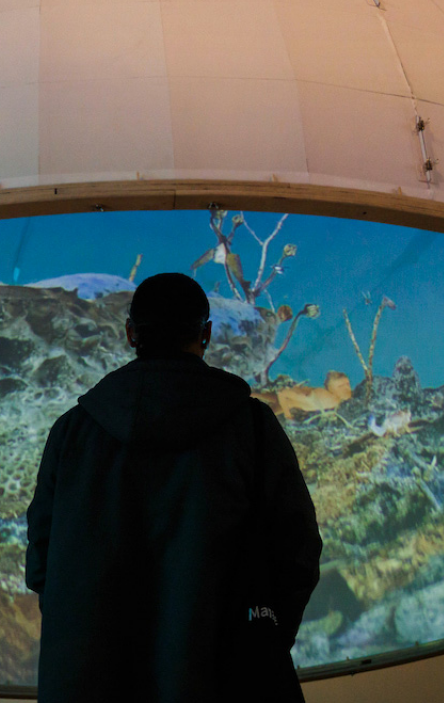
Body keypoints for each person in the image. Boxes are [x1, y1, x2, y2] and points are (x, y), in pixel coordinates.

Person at [26, 273, 322, 703]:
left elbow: (41, 567)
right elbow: (297, 555)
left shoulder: (71, 434)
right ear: (206, 334)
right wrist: (260, 637)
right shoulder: (252, 429)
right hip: (232, 682)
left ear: (130, 334)